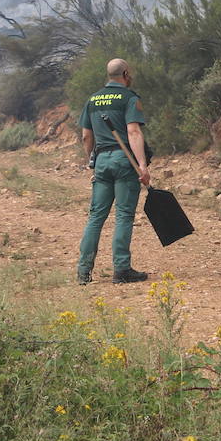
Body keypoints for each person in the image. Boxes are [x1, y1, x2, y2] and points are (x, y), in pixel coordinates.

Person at [77, 58, 151, 285]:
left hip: (101, 161)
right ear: (126, 74)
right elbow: (133, 132)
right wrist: (142, 165)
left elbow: (86, 136)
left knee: (96, 216)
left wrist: (91, 161)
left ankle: (83, 271)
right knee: (124, 216)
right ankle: (122, 270)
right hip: (123, 161)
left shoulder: (93, 99)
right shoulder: (129, 98)